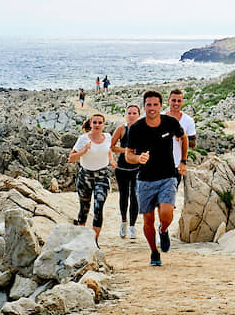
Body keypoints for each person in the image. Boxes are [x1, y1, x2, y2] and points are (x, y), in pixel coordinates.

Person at [125, 90, 186, 267]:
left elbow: (183, 138)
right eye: (148, 105)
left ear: (161, 105)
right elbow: (129, 155)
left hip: (168, 176)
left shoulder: (170, 122)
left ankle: (164, 230)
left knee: (167, 214)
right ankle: (153, 251)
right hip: (145, 180)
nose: (152, 108)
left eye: (155, 104)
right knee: (148, 220)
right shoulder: (136, 128)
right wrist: (138, 159)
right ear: (144, 106)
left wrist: (183, 161)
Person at [68, 113, 117, 247]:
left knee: (98, 207)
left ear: (103, 125)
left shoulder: (107, 137)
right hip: (85, 176)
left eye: (100, 122)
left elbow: (109, 150)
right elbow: (71, 158)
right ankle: (82, 238)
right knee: (84, 208)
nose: (97, 125)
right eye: (94, 122)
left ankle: (94, 242)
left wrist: (112, 160)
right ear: (90, 124)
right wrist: (84, 150)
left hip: (102, 176)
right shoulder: (83, 139)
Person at [111, 104, 141, 240]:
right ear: (126, 114)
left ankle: (132, 227)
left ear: (139, 115)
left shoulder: (143, 129)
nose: (132, 115)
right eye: (129, 113)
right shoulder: (122, 129)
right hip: (122, 168)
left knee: (135, 196)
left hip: (137, 168)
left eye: (134, 113)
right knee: (124, 196)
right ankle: (124, 222)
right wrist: (126, 150)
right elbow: (111, 146)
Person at [165, 89, 196, 190]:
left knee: (170, 198)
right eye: (173, 100)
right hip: (158, 164)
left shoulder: (188, 121)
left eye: (179, 101)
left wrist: (181, 138)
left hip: (176, 165)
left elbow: (192, 144)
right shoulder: (159, 117)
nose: (176, 103)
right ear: (168, 100)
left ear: (182, 102)